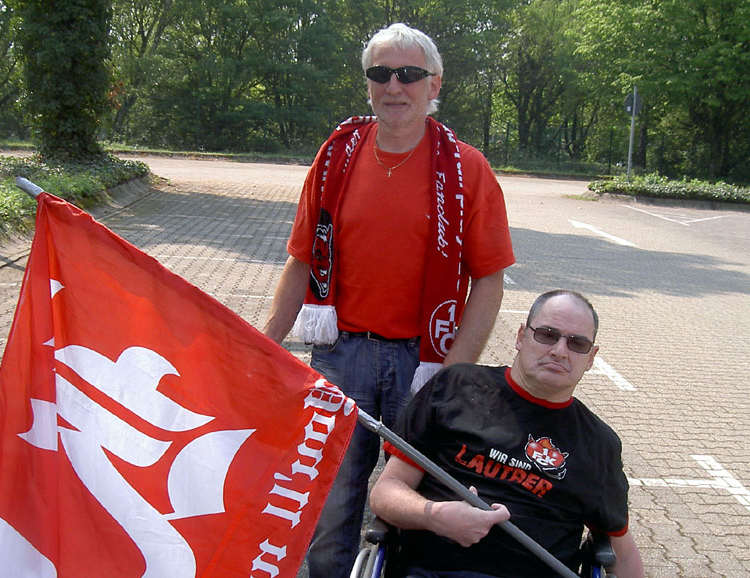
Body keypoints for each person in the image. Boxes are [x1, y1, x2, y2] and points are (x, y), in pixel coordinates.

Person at [261, 22, 514, 578]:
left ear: (433, 84)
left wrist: (453, 374)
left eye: (408, 74)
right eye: (381, 74)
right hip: (339, 358)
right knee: (327, 508)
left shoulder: (467, 170)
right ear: (368, 83)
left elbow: (489, 280)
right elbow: (302, 261)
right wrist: (260, 347)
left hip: (421, 365)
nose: (393, 86)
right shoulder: (334, 160)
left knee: (412, 510)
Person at [369, 290, 645, 578]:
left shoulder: (599, 443)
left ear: (591, 358)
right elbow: (385, 493)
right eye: (547, 334)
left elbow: (622, 552)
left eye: (577, 343)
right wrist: (435, 516)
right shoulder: (454, 387)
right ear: (520, 336)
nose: (560, 351)